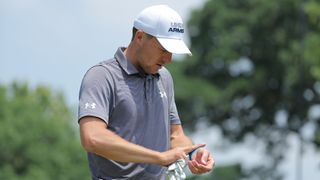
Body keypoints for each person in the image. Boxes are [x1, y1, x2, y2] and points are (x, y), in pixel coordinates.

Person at [78, 4, 214, 180]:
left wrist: (192, 153)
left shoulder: (164, 77)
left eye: (172, 51)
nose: (169, 59)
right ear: (140, 37)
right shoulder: (102, 76)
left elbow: (176, 136)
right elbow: (92, 138)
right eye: (163, 49)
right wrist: (159, 158)